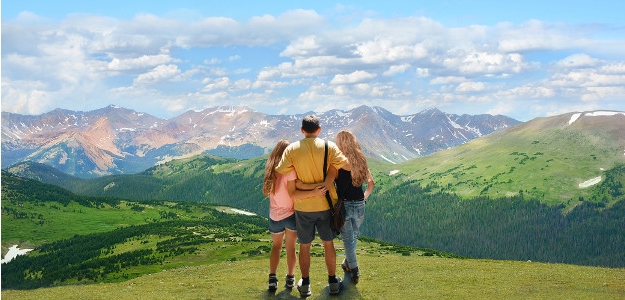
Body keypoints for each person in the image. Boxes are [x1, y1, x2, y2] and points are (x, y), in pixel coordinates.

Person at [275, 115, 349, 297]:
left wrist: (300, 182)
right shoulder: (329, 147)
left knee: (305, 245)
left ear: (302, 130)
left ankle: (306, 283)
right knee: (328, 243)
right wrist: (331, 169)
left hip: (303, 207)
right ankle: (332, 282)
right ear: (319, 129)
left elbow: (280, 169)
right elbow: (346, 165)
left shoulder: (292, 149)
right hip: (326, 205)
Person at [262, 139, 328, 293]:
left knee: (276, 247)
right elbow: (297, 190)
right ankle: (290, 278)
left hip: (274, 216)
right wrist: (315, 189)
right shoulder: (290, 171)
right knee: (291, 248)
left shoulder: (271, 170)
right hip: (291, 215)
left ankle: (272, 278)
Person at [334, 130, 375, 284]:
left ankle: (355, 270)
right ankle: (347, 264)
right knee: (353, 237)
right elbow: (371, 184)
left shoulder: (337, 161)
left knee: (347, 240)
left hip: (344, 206)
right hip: (360, 205)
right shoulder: (361, 160)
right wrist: (364, 197)